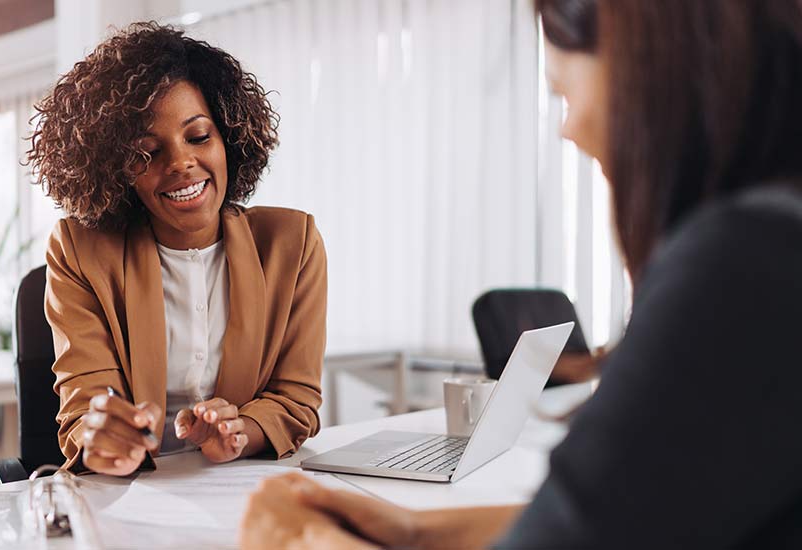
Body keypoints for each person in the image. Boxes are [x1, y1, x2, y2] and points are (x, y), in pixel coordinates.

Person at [240, 0, 802, 547]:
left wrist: (300, 540)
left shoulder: (740, 264)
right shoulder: (773, 240)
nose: (569, 128)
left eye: (564, 92)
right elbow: (611, 521)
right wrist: (412, 530)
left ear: (653, 73)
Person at [28, 23, 327, 476]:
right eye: (146, 152)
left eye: (198, 136)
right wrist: (105, 439)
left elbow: (295, 399)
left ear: (228, 136)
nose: (181, 164)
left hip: (242, 490)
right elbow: (84, 407)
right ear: (115, 170)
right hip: (129, 499)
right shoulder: (79, 250)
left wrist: (240, 434)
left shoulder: (292, 243)